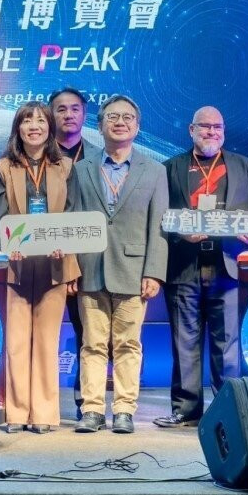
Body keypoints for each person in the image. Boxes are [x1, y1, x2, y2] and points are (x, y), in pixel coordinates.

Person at [154, 106, 248, 429]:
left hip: (226, 265)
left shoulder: (245, 167)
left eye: (217, 127)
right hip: (184, 265)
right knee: (184, 342)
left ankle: (227, 410)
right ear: (191, 130)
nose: (211, 132)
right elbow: (160, 216)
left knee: (227, 344)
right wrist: (180, 232)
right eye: (204, 127)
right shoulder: (169, 168)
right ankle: (186, 410)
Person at [69, 95, 168, 434]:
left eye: (127, 117)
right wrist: (71, 267)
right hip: (90, 268)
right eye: (112, 117)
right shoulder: (81, 169)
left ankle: (125, 409)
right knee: (92, 344)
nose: (120, 122)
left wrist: (154, 271)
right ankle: (92, 410)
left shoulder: (155, 170)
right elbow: (72, 219)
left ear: (137, 127)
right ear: (100, 126)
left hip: (134, 270)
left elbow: (159, 226)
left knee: (128, 344)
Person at [0, 103, 80, 433]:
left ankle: (43, 413)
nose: (34, 126)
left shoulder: (65, 167)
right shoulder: (4, 167)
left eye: (41, 120)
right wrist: (8, 244)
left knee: (46, 342)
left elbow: (73, 214)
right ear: (18, 128)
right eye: (27, 121)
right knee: (16, 342)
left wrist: (64, 243)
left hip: (54, 265)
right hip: (17, 265)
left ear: (50, 128)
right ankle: (16, 412)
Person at [50, 86, 100, 420]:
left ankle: (87, 403)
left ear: (84, 114)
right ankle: (39, 403)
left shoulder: (98, 157)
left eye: (75, 109)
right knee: (43, 332)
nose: (68, 115)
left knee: (88, 333)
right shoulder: (38, 154)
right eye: (61, 109)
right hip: (46, 257)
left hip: (88, 261)